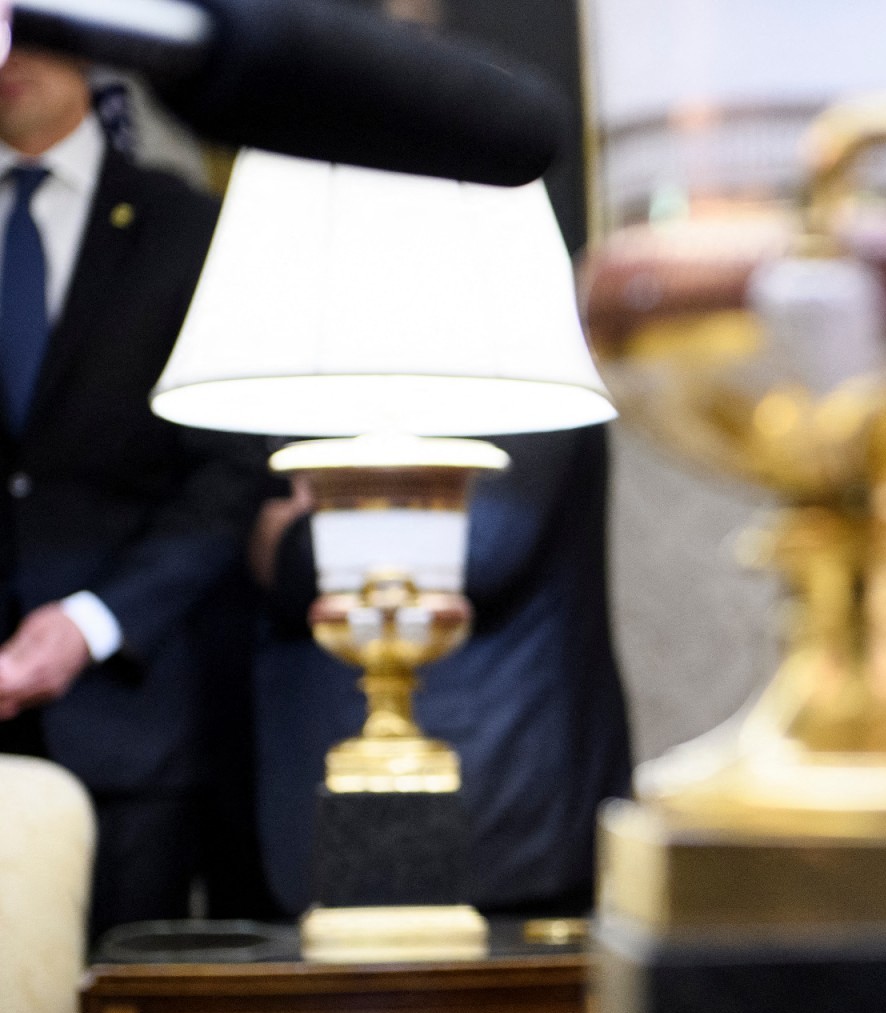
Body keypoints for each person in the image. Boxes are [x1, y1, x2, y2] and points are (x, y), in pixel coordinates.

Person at [0, 48, 268, 934]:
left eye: (30, 30)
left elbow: (228, 470)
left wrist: (93, 620)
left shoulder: (183, 227)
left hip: (129, 708)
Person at [250, 424, 635, 916]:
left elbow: (467, 550)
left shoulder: (509, 358)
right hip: (307, 787)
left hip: (492, 796)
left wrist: (289, 544)